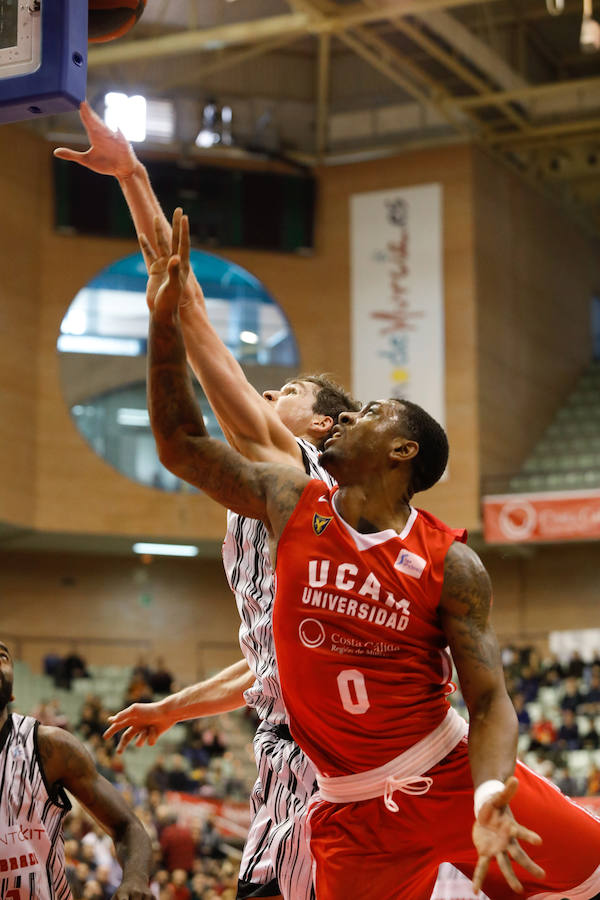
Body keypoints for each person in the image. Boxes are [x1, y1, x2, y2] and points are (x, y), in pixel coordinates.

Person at [142, 215, 600, 899]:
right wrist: (163, 326)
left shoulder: (450, 562)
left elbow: (490, 699)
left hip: (443, 773)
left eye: (375, 412)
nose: (353, 414)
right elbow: (181, 443)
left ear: (403, 450)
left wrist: (488, 797)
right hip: (349, 809)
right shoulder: (292, 499)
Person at [61, 107, 360, 900]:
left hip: (319, 757)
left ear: (323, 427)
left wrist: (135, 178)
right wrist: (177, 708)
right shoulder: (277, 488)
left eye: (289, 391)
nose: (270, 391)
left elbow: (188, 310)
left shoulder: (294, 466)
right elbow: (267, 663)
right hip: (291, 748)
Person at [0, 641, 153, 900]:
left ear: (12, 692)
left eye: (2, 656)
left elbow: (128, 827)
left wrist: (135, 878)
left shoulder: (49, 746)